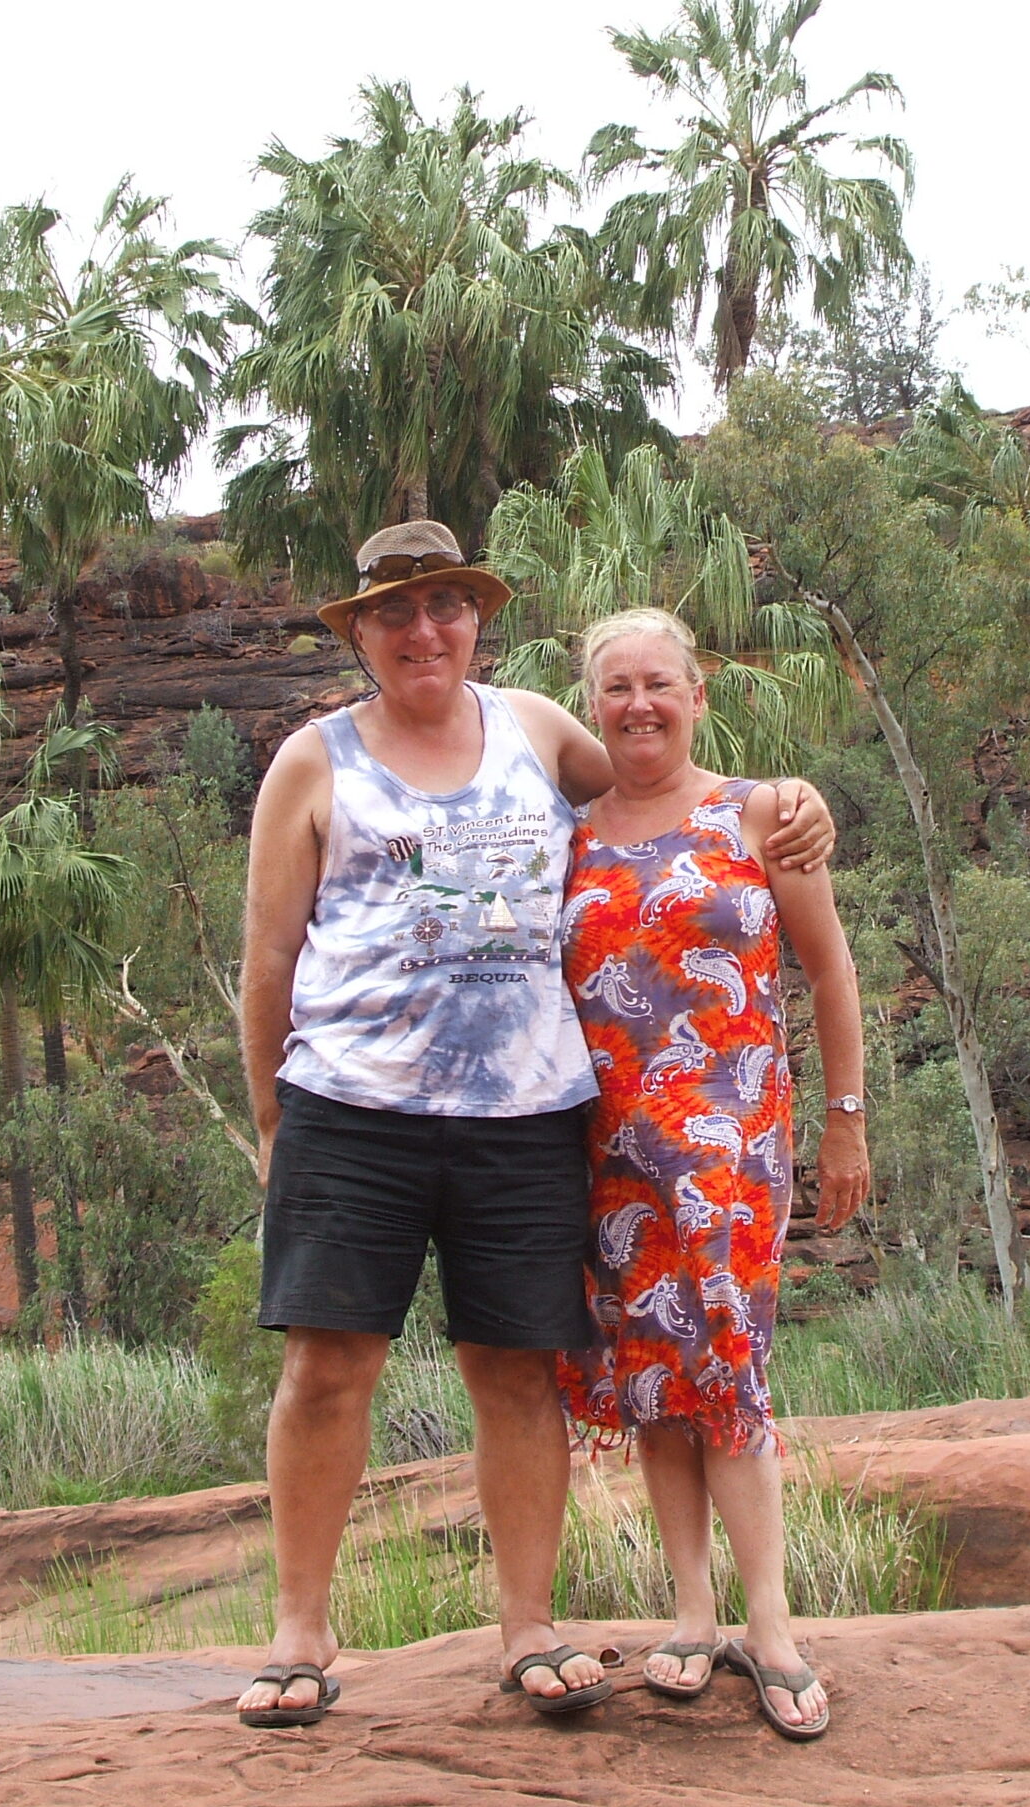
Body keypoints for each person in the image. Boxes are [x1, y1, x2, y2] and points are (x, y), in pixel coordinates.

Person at [235, 523, 835, 1728]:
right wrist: (273, 1126)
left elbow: (656, 790)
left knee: (518, 1373)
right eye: (397, 613)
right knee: (326, 1366)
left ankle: (529, 1627)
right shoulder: (315, 761)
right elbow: (267, 960)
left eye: (448, 607)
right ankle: (300, 1630)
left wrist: (787, 802)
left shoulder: (530, 729)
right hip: (353, 1110)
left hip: (525, 1117)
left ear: (475, 622)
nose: (424, 632)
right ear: (358, 632)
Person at [557, 606, 869, 1742]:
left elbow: (828, 973)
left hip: (733, 1150)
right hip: (606, 1157)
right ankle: (690, 1613)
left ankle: (770, 1624)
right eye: (617, 687)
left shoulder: (763, 815)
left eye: (659, 684)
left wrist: (845, 1122)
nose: (638, 704)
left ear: (697, 695)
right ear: (592, 704)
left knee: (725, 1360)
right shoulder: (567, 833)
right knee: (652, 1376)